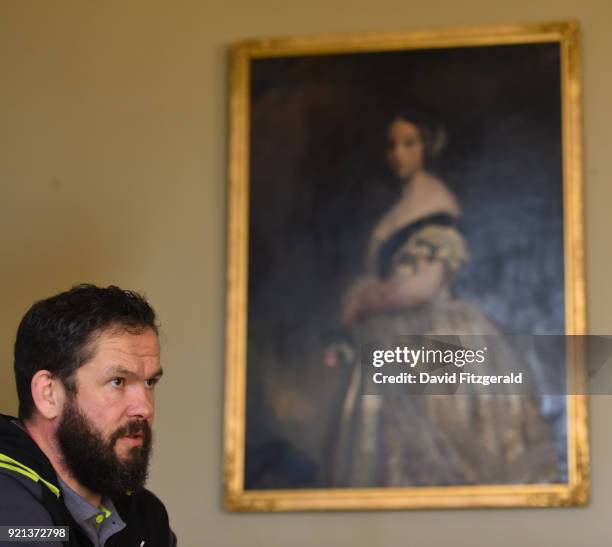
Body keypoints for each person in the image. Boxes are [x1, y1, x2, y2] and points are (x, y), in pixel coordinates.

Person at [324, 112, 561, 487]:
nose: (398, 154)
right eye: (392, 145)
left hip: (432, 334)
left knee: (443, 438)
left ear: (428, 146)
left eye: (408, 143)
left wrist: (368, 303)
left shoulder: (437, 205)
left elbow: (424, 286)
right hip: (389, 336)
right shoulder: (403, 205)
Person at [0, 284, 176, 546]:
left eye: (150, 383)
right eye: (118, 381)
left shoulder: (145, 514)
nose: (145, 408)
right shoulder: (10, 502)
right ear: (49, 394)